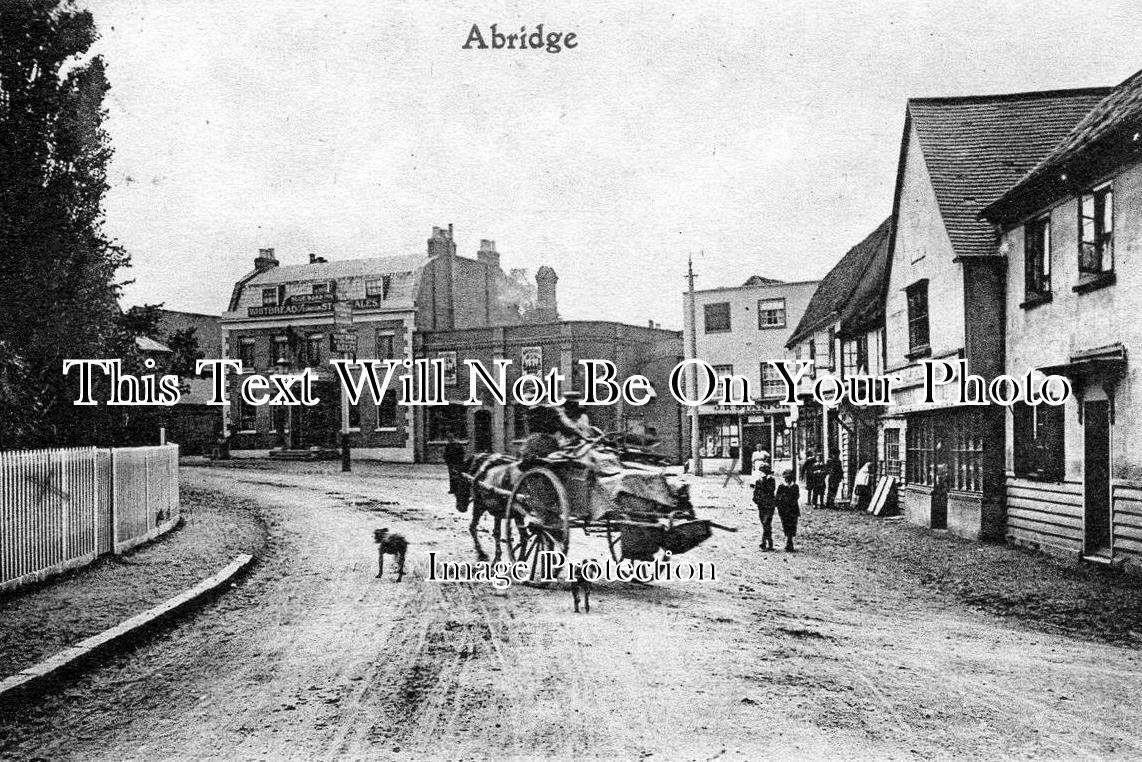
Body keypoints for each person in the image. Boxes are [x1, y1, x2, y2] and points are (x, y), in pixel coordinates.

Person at [752, 461, 777, 551]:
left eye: (763, 471)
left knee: (766, 523)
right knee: (765, 524)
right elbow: (755, 493)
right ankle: (770, 542)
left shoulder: (771, 480)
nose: (761, 473)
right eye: (761, 471)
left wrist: (765, 480)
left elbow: (771, 490)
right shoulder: (758, 481)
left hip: (770, 505)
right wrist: (756, 500)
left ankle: (763, 543)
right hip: (761, 505)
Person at [775, 468, 801, 552]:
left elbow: (797, 496)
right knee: (785, 524)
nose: (788, 479)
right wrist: (780, 504)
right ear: (784, 478)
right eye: (786, 477)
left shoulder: (795, 486)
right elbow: (777, 498)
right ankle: (788, 540)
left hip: (793, 509)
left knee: (793, 524)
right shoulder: (781, 486)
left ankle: (790, 541)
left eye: (789, 477)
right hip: (784, 509)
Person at [443, 432, 467, 511]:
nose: (450, 440)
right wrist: (448, 462)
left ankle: (456, 488)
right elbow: (445, 454)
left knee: (457, 476)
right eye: (449, 438)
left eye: (451, 438)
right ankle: (452, 489)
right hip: (452, 463)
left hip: (457, 463)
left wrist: (459, 461)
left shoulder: (457, 445)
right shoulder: (449, 445)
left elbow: (461, 454)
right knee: (452, 476)